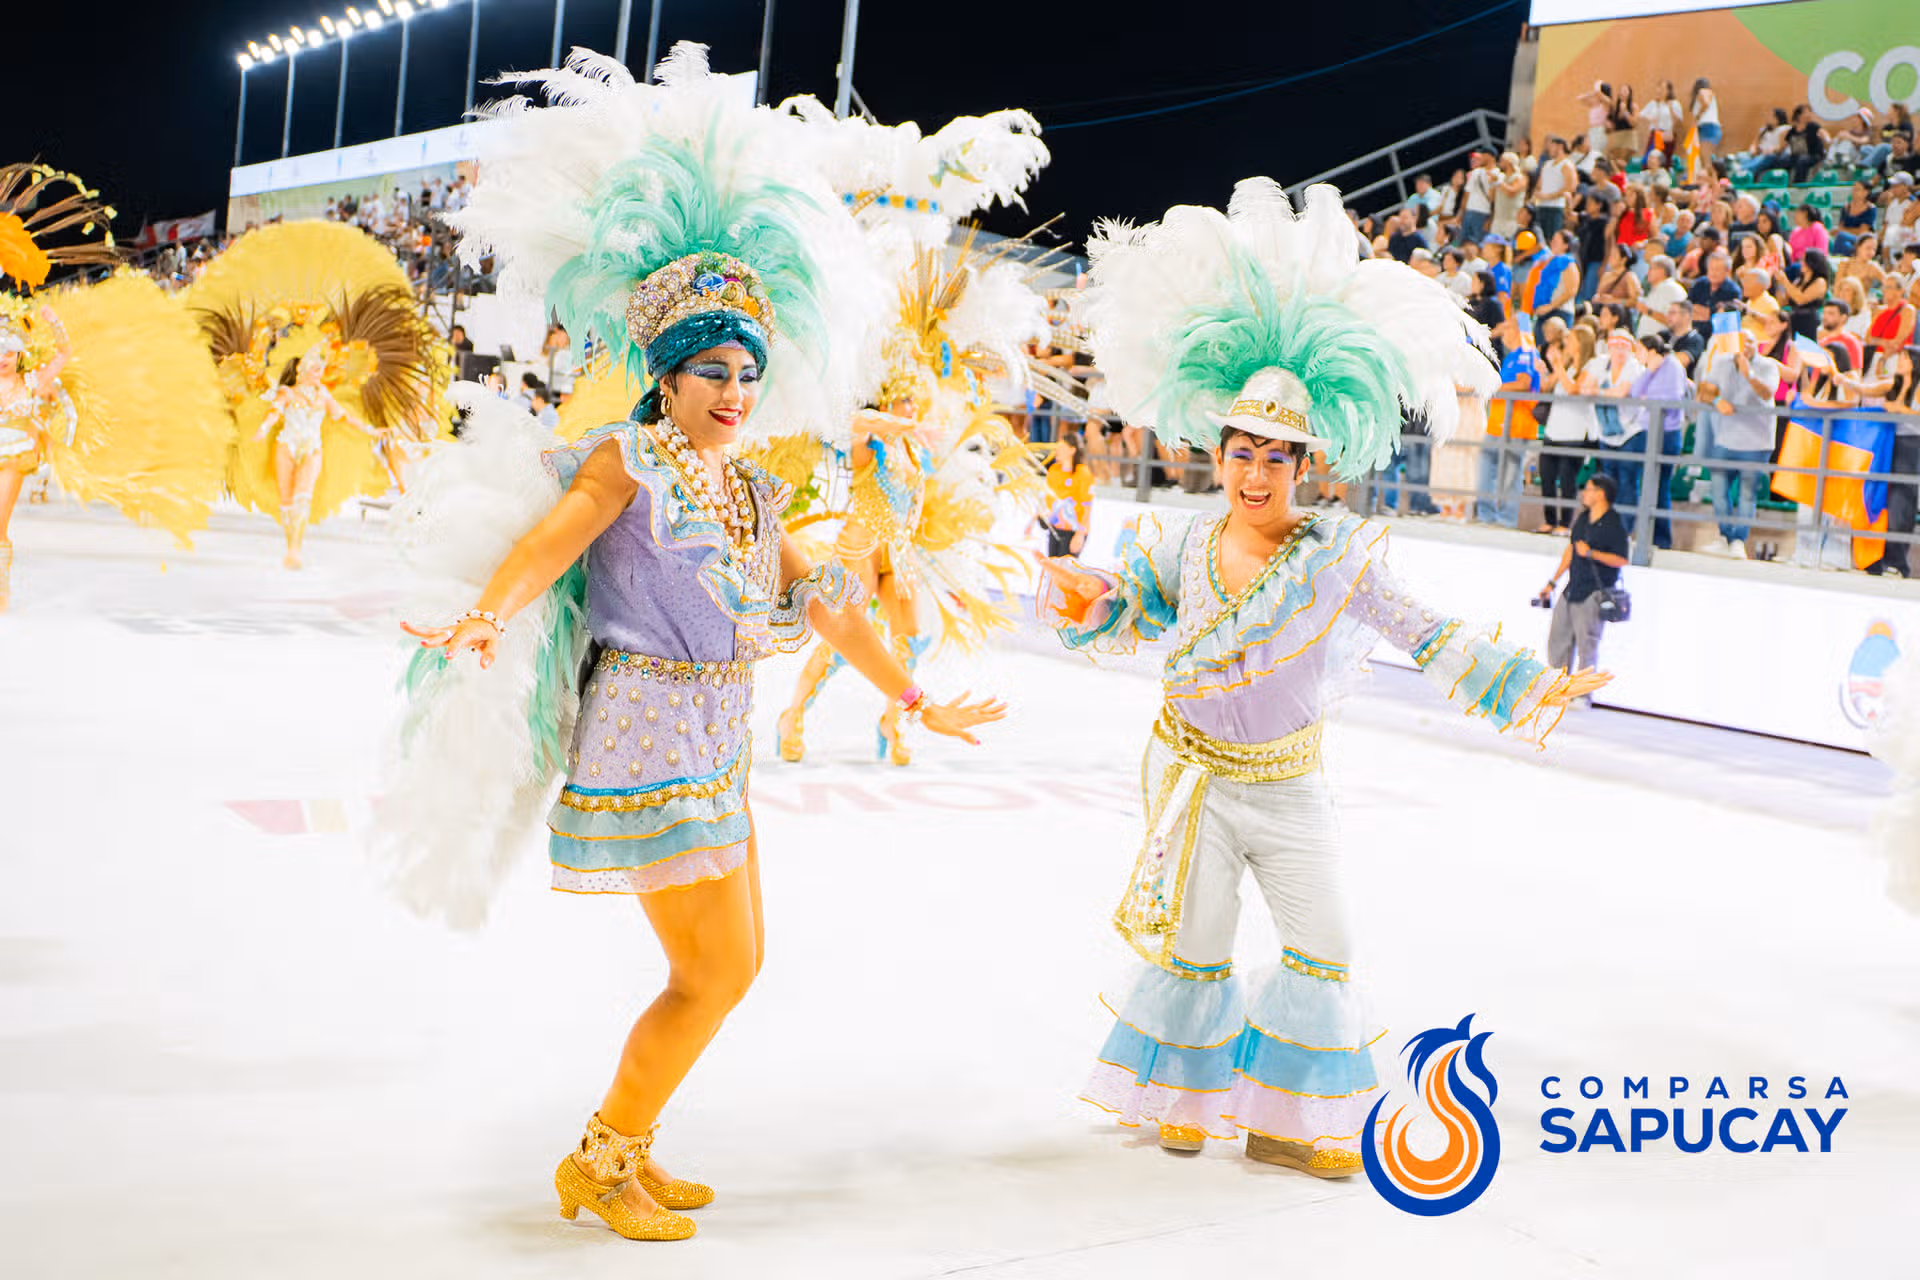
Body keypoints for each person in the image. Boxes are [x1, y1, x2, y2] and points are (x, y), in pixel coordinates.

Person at [382, 45, 1006, 1245]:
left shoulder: (754, 494)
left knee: (737, 962)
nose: (732, 390)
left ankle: (627, 1145)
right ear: (667, 378)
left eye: (746, 373)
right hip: (646, 735)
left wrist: (910, 694)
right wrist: (484, 613)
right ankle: (600, 1158)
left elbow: (827, 603)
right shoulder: (632, 462)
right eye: (711, 370)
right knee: (712, 972)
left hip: (715, 740)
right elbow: (551, 545)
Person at [1039, 178, 1602, 1179]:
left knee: (1323, 945)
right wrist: (1083, 591)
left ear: (1312, 465)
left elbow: (1430, 634)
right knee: (1196, 949)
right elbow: (1123, 608)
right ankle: (1186, 1098)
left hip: (1288, 786)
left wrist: (1531, 685)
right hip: (1200, 786)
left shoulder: (1335, 556)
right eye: (1243, 451)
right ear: (1218, 452)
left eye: (1279, 457)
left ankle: (1286, 1114)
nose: (1257, 473)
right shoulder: (1180, 542)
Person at [1695, 327, 1784, 557]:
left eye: (1750, 342)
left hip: (1756, 442)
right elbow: (1703, 390)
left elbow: (1767, 394)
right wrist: (1716, 400)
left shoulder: (1768, 366)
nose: (1745, 347)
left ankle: (1739, 540)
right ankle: (1725, 536)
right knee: (1718, 490)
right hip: (1725, 438)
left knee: (1747, 493)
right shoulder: (1721, 362)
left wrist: (1749, 374)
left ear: (1757, 345)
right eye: (1741, 342)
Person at [1539, 471, 1627, 693]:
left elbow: (1621, 559)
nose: (1584, 494)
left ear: (1601, 493)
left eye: (1588, 489)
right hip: (1573, 588)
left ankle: (1581, 694)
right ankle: (1557, 689)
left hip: (1594, 592)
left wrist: (1592, 554)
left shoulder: (1614, 524)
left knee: (1587, 645)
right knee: (1558, 640)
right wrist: (1553, 581)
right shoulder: (1582, 519)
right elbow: (1571, 550)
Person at [1482, 310, 1541, 527]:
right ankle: (1486, 516)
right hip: (1497, 422)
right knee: (1487, 469)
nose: (1503, 331)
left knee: (1510, 474)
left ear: (1517, 329)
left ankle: (1506, 518)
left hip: (1516, 424)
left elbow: (1523, 384)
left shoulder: (1526, 353)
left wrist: (1492, 387)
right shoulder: (1511, 355)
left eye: (1507, 327)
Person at [1539, 324, 1598, 533]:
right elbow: (1547, 385)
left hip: (1575, 432)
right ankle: (1549, 519)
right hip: (1554, 428)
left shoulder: (1591, 366)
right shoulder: (1568, 365)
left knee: (1567, 480)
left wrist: (1559, 367)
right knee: (1546, 476)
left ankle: (1565, 523)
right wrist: (1549, 369)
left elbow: (1573, 389)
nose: (1567, 344)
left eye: (1571, 340)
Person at [1689, 249, 1743, 340]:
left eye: (1717, 270)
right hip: (1693, 333)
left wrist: (1704, 313)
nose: (1713, 273)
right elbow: (1688, 309)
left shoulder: (1733, 291)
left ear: (1727, 271)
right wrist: (1710, 313)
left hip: (1718, 337)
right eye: (1711, 269)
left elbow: (1723, 320)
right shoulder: (1699, 283)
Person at [1534, 135, 1578, 241]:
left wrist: (1549, 196)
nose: (1550, 149)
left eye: (1552, 146)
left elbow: (1570, 187)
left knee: (1551, 237)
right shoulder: (1547, 164)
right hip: (1541, 205)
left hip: (1556, 207)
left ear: (1560, 147)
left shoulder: (1566, 165)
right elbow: (1539, 184)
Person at [1461, 151, 1496, 245]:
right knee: (1463, 241)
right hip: (1469, 211)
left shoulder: (1498, 174)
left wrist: (1490, 219)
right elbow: (1466, 194)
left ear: (1491, 157)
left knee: (1478, 243)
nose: (1482, 157)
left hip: (1483, 213)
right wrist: (1462, 214)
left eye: (1484, 155)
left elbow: (1494, 200)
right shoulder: (1476, 172)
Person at [1690, 78, 1722, 163]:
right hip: (1706, 128)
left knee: (1706, 160)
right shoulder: (1706, 94)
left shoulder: (1703, 91)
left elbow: (1706, 103)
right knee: (1704, 159)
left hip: (1708, 127)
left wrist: (1698, 116)